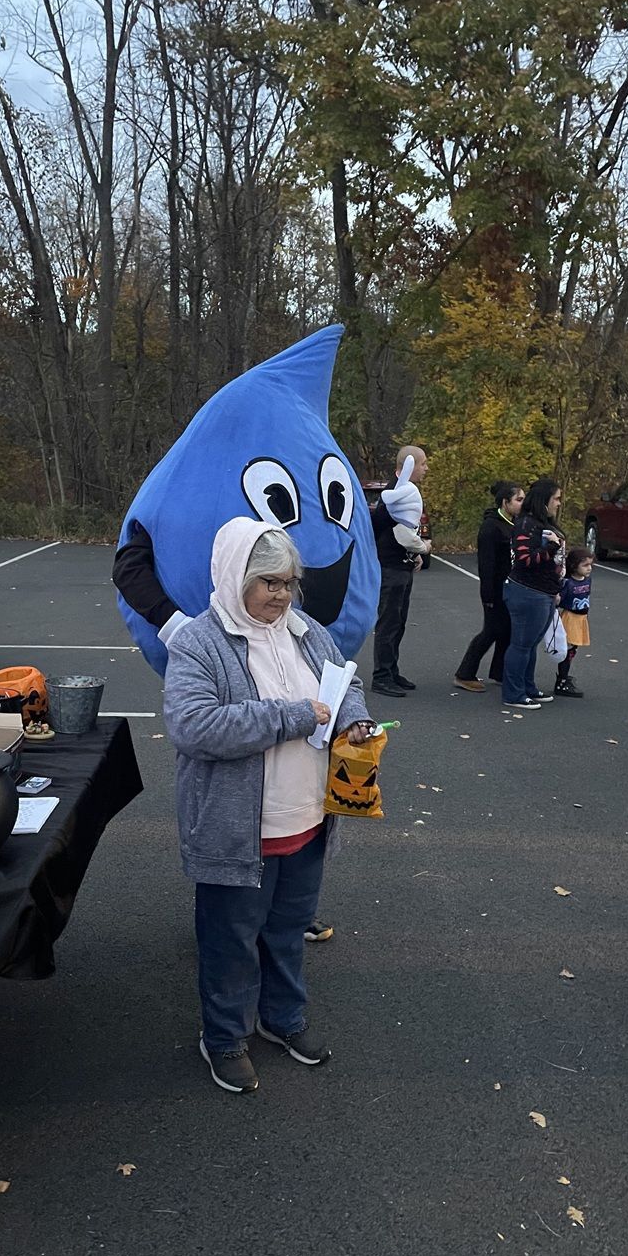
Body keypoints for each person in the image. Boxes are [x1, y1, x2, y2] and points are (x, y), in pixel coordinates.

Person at [163, 517, 375, 1094]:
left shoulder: (305, 630)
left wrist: (353, 716)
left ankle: (283, 1020)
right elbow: (192, 725)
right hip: (238, 830)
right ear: (236, 578)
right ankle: (225, 1036)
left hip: (305, 818)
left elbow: (343, 681)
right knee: (230, 941)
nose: (283, 595)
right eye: (270, 583)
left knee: (284, 931)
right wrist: (294, 715)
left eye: (289, 582)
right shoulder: (199, 642)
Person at [371, 446, 431, 697]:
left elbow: (406, 527)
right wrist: (421, 548)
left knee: (399, 621)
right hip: (391, 567)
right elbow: (387, 528)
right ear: (410, 464)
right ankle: (381, 676)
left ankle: (392, 670)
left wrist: (413, 554)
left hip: (402, 564)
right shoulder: (394, 493)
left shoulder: (405, 489)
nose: (426, 469)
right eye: (423, 464)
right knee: (389, 622)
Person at [454, 480, 524, 691]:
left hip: (511, 588)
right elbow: (487, 565)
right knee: (492, 630)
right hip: (495, 589)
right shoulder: (491, 527)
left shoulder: (513, 524)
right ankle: (464, 673)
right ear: (505, 502)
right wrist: (488, 595)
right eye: (518, 500)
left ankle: (499, 671)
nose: (522, 504)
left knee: (508, 630)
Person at [502, 478, 565, 710]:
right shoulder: (526, 524)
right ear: (544, 499)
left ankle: (527, 686)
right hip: (528, 592)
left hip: (545, 592)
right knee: (521, 644)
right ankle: (513, 693)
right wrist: (551, 547)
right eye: (556, 498)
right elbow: (524, 559)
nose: (558, 503)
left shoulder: (541, 522)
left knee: (530, 644)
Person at [554, 547, 592, 699]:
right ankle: (561, 680)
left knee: (573, 649)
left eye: (590, 565)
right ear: (573, 566)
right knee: (567, 650)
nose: (589, 568)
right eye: (585, 565)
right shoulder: (567, 583)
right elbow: (559, 600)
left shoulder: (588, 580)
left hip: (581, 619)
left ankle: (564, 676)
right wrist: (557, 599)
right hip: (570, 618)